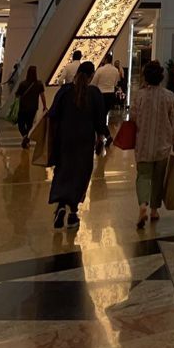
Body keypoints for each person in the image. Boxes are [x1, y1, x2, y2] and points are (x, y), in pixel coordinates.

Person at [48, 61, 106, 229]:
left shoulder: (65, 92)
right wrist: (100, 138)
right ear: (91, 76)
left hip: (65, 138)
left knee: (63, 170)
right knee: (80, 174)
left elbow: (53, 115)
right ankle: (73, 212)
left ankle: (60, 205)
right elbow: (100, 120)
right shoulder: (94, 93)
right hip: (85, 139)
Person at [131, 60, 174, 230]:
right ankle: (153, 210)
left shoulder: (139, 96)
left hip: (143, 143)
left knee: (143, 176)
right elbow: (173, 120)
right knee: (159, 178)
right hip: (163, 144)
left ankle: (142, 204)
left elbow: (134, 118)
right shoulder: (169, 96)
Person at [91, 52, 121, 146]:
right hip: (111, 95)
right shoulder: (115, 70)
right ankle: (102, 137)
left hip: (101, 95)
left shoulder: (100, 70)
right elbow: (116, 83)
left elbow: (94, 83)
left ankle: (106, 137)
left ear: (105, 59)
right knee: (102, 116)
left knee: (99, 117)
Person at [15, 65, 47, 149]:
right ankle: (26, 139)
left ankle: (25, 136)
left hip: (23, 107)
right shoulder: (39, 84)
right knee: (29, 124)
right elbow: (42, 95)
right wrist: (44, 105)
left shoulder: (23, 84)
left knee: (21, 123)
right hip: (33, 107)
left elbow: (17, 94)